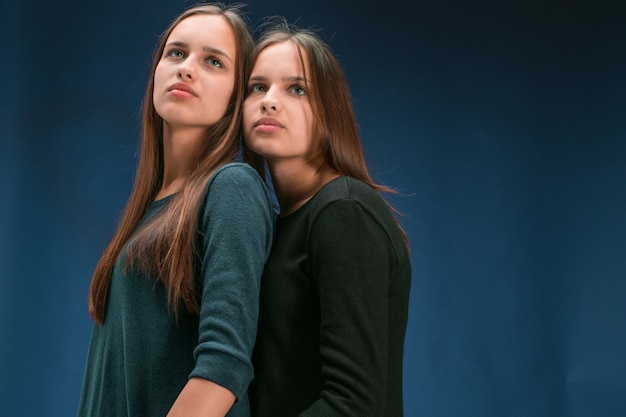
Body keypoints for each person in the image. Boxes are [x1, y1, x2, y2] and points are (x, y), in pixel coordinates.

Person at [78, 4, 274, 417]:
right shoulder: (150, 210)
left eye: (213, 62)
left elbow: (225, 367)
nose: (186, 69)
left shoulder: (232, 188)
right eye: (176, 53)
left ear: (236, 97)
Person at [242, 22, 412, 417]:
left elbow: (354, 402)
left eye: (296, 89)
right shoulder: (277, 224)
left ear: (329, 112)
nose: (270, 101)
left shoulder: (343, 211)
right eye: (257, 87)